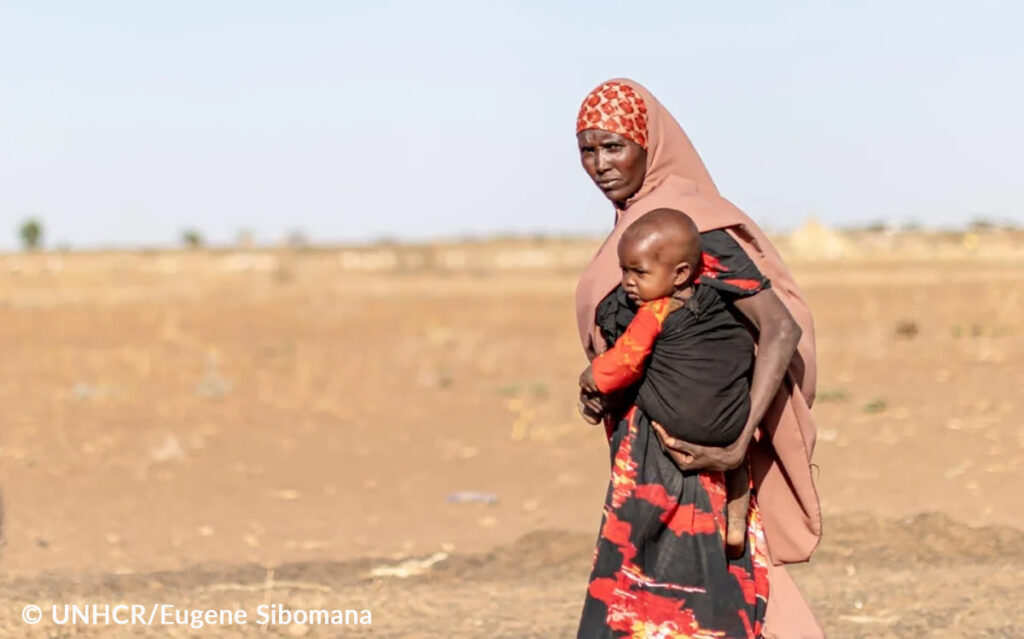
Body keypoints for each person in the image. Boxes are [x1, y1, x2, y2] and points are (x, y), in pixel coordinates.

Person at [574, 79, 823, 639]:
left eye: (614, 146)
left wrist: (737, 442)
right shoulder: (641, 230)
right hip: (645, 453)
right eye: (587, 150)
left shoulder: (689, 228)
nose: (599, 164)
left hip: (694, 459)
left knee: (695, 600)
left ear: (650, 145)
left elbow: (777, 325)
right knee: (668, 597)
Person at [577, 208, 756, 559]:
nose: (628, 282)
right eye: (624, 270)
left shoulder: (654, 312)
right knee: (739, 466)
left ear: (680, 273)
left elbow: (624, 362)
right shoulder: (717, 305)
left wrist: (591, 376)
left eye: (638, 272)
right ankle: (736, 521)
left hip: (684, 429)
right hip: (734, 426)